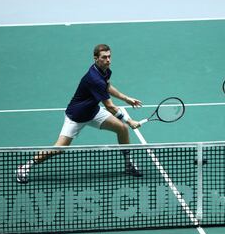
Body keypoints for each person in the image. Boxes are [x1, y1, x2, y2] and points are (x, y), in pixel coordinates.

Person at [17, 44, 143, 183]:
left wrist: (126, 98)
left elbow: (107, 86)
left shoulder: (104, 71)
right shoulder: (94, 78)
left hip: (93, 112)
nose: (108, 60)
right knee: (59, 148)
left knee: (122, 129)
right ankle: (24, 167)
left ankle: (128, 165)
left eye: (109, 56)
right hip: (76, 117)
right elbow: (110, 107)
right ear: (96, 58)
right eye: (104, 57)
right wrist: (130, 121)